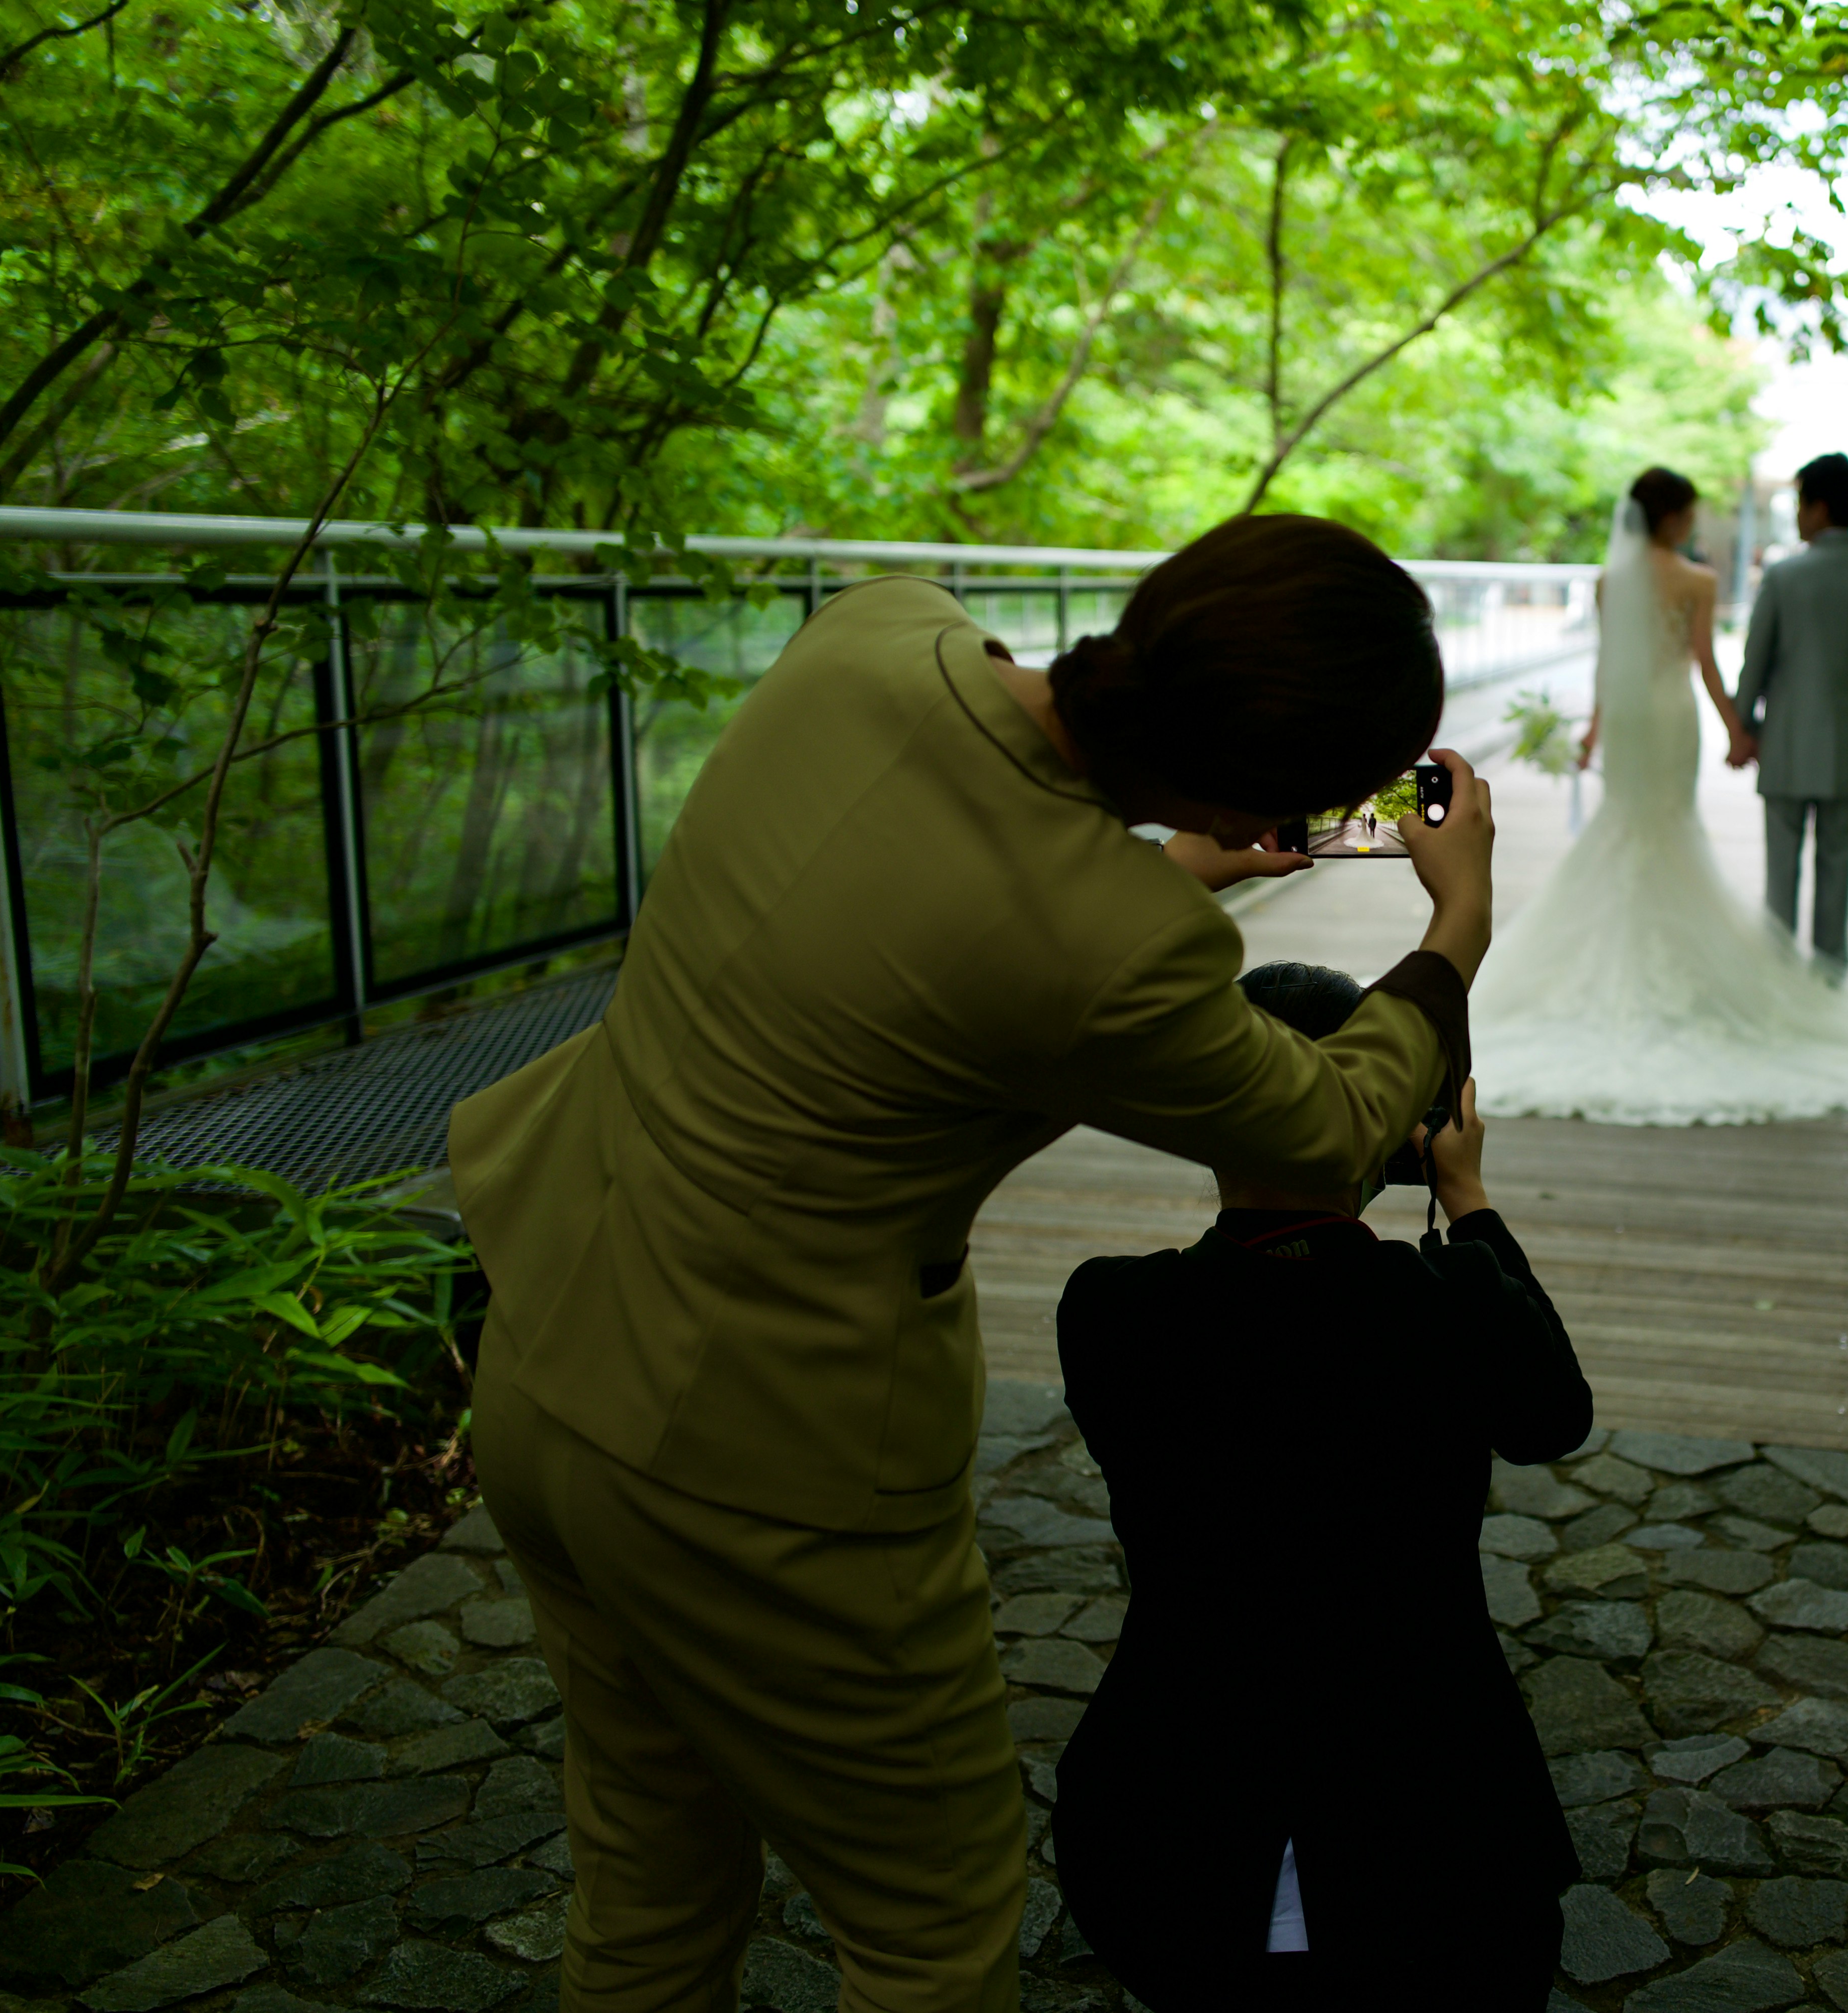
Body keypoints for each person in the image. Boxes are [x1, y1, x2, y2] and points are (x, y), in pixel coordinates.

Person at [446, 514, 1497, 2013]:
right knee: (929, 1928)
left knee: (652, 1864)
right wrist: (1452, 920)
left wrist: (1170, 853)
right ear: (1275, 787)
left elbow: (943, 906)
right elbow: (1325, 1122)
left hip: (548, 1352)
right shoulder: (1118, 942)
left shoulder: (869, 638)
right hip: (752, 1462)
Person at [1053, 964, 1589, 2012]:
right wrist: (1469, 1203)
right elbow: (1551, 1416)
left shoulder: (1112, 1311)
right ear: (1389, 1129)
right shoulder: (1449, 1306)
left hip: (1175, 1834)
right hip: (1435, 1840)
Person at [1470, 467, 1848, 1125]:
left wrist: (1599, 734)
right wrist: (1740, 726)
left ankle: (1736, 961)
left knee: (1638, 827)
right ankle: (1811, 978)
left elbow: (1627, 665)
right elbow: (1714, 664)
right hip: (1683, 719)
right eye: (1691, 512)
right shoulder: (1712, 580)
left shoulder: (1618, 582)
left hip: (1634, 720)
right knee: (1720, 836)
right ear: (1673, 518)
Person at [1734, 451, 1848, 971]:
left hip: (1786, 743)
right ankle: (1831, 974)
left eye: (1800, 502)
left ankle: (1778, 975)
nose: (1796, 514)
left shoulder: (1785, 576)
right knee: (1838, 865)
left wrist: (1743, 727)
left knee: (1781, 873)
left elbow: (1756, 663)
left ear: (1819, 507)